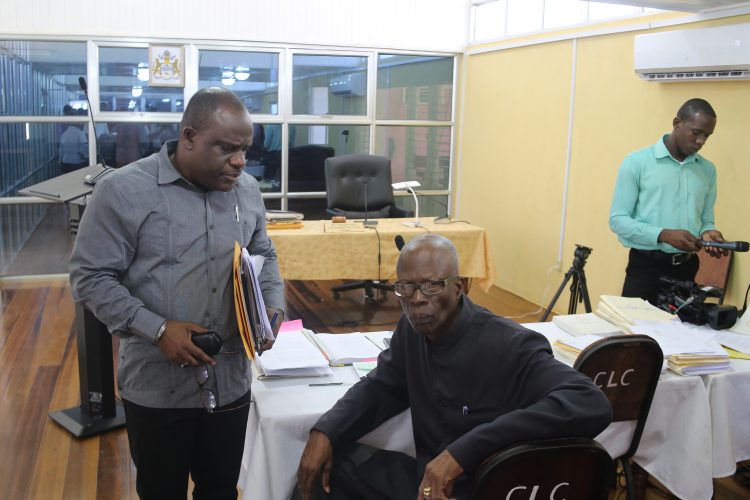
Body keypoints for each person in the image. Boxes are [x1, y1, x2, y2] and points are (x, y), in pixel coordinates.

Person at [69, 87, 285, 500]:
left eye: (245, 149)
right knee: (160, 491)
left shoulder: (247, 190)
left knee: (220, 489)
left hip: (231, 380)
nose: (239, 162)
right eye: (226, 149)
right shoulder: (124, 191)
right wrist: (158, 329)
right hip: (157, 389)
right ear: (188, 137)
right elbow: (89, 276)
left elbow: (263, 251)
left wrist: (271, 304)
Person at [295, 235, 612, 500]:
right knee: (319, 472)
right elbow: (382, 386)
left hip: (485, 487)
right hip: (427, 483)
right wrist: (327, 430)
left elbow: (590, 401)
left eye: (432, 285)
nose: (417, 299)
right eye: (405, 287)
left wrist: (463, 452)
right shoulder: (411, 330)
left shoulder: (508, 345)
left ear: (460, 286)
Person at [609, 98, 725, 305]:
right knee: (637, 336)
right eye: (696, 132)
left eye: (707, 135)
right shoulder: (636, 163)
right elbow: (617, 220)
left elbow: (706, 219)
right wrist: (663, 234)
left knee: (682, 334)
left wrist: (708, 232)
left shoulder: (707, 170)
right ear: (676, 123)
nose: (702, 141)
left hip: (687, 270)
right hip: (645, 268)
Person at [59, 104, 89, 173]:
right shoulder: (80, 133)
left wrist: (60, 161)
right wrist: (85, 157)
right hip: (77, 162)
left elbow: (61, 151)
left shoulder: (63, 134)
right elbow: (85, 148)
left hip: (65, 162)